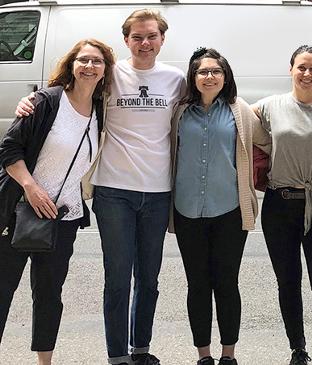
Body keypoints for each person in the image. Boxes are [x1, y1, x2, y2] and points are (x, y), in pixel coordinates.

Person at [15, 9, 186, 365]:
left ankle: (141, 349)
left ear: (162, 39)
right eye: (137, 37)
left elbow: (206, 103)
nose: (144, 43)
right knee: (118, 278)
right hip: (113, 192)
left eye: (151, 36)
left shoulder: (176, 79)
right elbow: (69, 93)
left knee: (150, 280)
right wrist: (30, 100)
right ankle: (117, 356)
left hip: (158, 193)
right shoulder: (110, 75)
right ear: (125, 41)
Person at [0, 38, 114, 365]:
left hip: (63, 218)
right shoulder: (46, 102)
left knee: (50, 297)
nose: (89, 66)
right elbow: (9, 150)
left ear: (105, 71)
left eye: (97, 62)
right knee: (2, 291)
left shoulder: (101, 111)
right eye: (84, 60)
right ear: (72, 65)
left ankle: (44, 362)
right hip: (18, 210)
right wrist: (31, 187)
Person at [170, 48, 270, 365]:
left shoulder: (240, 111)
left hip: (229, 210)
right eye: (203, 71)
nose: (209, 76)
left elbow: (271, 140)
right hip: (187, 210)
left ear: (225, 77)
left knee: (226, 283)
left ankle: (228, 355)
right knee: (197, 284)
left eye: (216, 71)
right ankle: (204, 355)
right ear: (193, 77)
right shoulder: (178, 112)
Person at [253, 45, 312, 365]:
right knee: (288, 282)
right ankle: (298, 349)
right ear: (290, 70)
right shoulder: (271, 105)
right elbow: (234, 116)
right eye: (301, 67)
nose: (307, 73)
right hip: (279, 205)